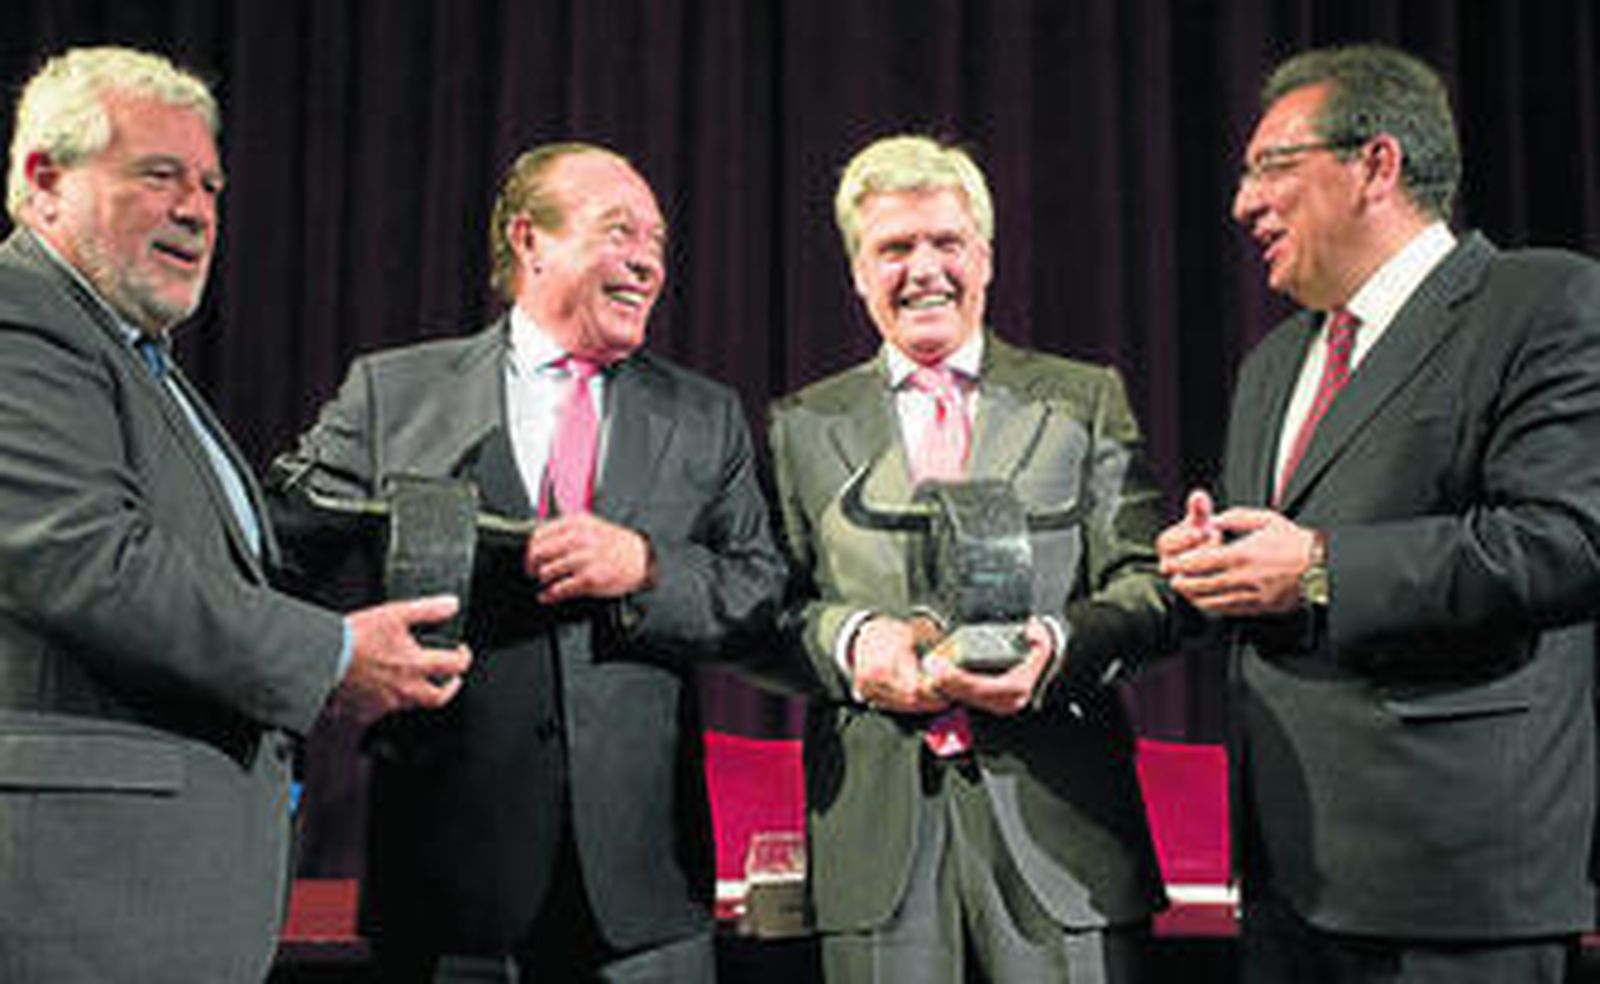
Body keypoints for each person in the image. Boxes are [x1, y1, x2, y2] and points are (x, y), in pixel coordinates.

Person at [0, 46, 471, 983]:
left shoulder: (137, 359)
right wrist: (332, 656)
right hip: (78, 897)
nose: (198, 210)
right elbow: (89, 561)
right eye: (159, 175)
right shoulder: (22, 318)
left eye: (212, 186)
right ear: (44, 182)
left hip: (155, 899)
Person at [269, 141, 787, 982]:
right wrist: (330, 658)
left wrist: (648, 566)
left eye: (657, 239)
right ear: (529, 240)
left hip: (645, 904)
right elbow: (271, 558)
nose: (648, 259)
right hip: (447, 896)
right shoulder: (391, 395)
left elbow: (761, 588)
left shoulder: (705, 416)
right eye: (619, 230)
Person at [1157, 43, 1600, 983]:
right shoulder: (1273, 364)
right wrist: (1213, 566)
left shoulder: (1541, 302)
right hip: (1289, 883)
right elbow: (1273, 574)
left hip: (1456, 891)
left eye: (1270, 166)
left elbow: (1565, 542)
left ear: (1377, 165)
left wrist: (1317, 566)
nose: (1243, 204)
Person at [767, 133, 1184, 983]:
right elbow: (767, 610)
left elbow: (1151, 590)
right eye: (893, 248)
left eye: (946, 243)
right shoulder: (801, 425)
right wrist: (855, 645)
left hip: (1062, 841)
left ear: (985, 259)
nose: (923, 268)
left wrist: (1055, 650)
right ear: (857, 272)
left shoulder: (1082, 400)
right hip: (880, 853)